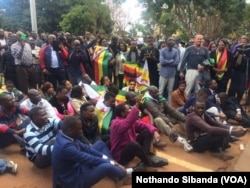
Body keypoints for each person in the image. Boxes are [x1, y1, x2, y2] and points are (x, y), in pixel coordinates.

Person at [52, 116, 134, 188]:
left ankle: (116, 172)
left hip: (77, 167)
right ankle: (123, 174)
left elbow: (87, 149)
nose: (81, 132)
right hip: (72, 180)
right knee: (106, 166)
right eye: (79, 129)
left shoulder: (66, 135)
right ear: (70, 130)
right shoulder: (66, 147)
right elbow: (88, 158)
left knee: (99, 144)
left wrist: (111, 161)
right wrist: (112, 163)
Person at [110, 96, 168, 168]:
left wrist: (155, 132)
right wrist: (137, 105)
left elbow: (143, 125)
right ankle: (149, 163)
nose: (130, 110)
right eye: (128, 109)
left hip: (132, 149)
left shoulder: (129, 120)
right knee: (133, 144)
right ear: (122, 113)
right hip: (121, 155)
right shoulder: (115, 123)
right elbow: (127, 123)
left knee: (147, 132)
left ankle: (144, 161)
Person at [143, 85, 193, 152]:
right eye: (155, 92)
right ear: (150, 93)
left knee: (180, 117)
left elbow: (171, 110)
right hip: (155, 122)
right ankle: (180, 139)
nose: (158, 94)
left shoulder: (160, 97)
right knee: (158, 120)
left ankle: (191, 136)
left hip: (165, 118)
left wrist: (185, 118)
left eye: (158, 92)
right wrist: (170, 124)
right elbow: (158, 114)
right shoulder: (147, 101)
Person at [159, 37, 179, 102]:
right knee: (161, 90)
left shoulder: (175, 51)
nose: (171, 41)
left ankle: (169, 105)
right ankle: (159, 104)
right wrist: (171, 61)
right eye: (169, 40)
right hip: (163, 74)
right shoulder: (162, 50)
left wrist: (166, 62)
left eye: (173, 40)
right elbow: (162, 62)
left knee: (170, 91)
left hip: (172, 74)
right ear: (166, 42)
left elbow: (176, 62)